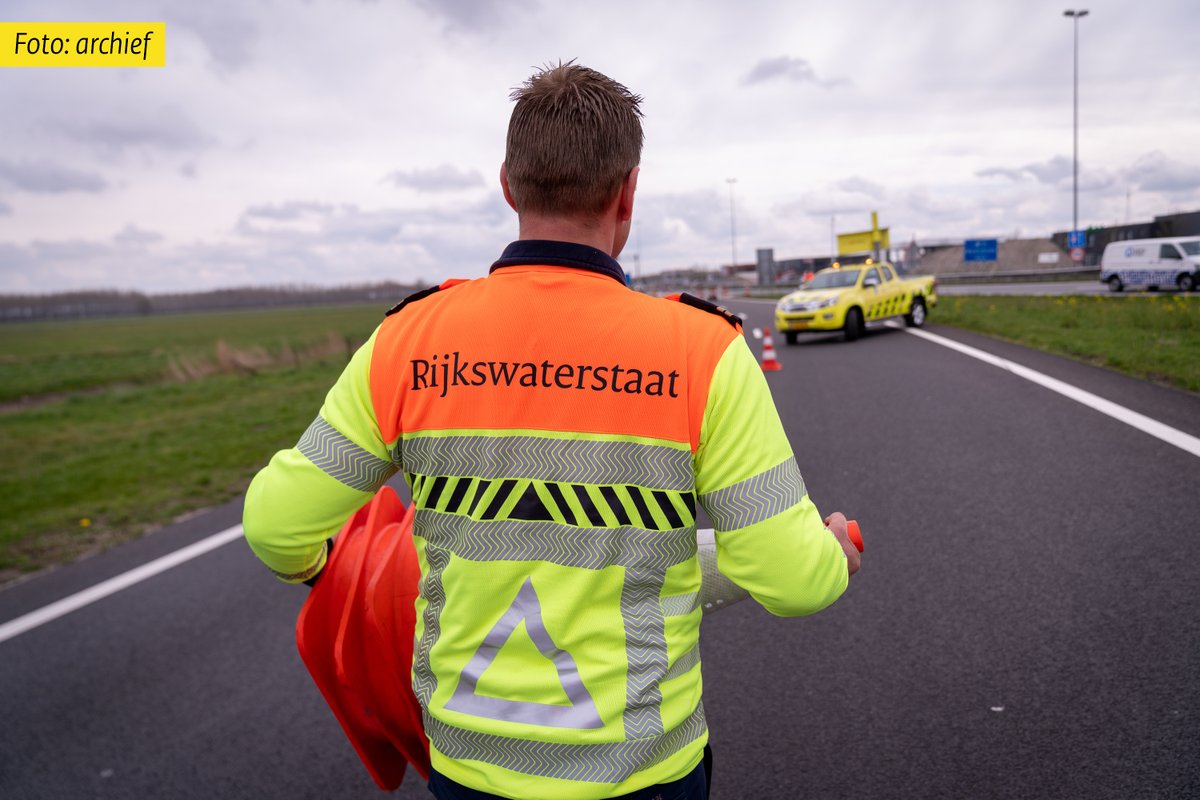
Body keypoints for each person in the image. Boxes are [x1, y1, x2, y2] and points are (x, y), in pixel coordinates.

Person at [243, 62, 861, 800]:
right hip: (643, 773)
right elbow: (789, 580)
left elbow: (273, 526)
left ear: (508, 184)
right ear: (628, 191)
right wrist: (832, 557)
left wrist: (320, 570)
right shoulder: (703, 352)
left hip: (471, 773)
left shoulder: (409, 342)